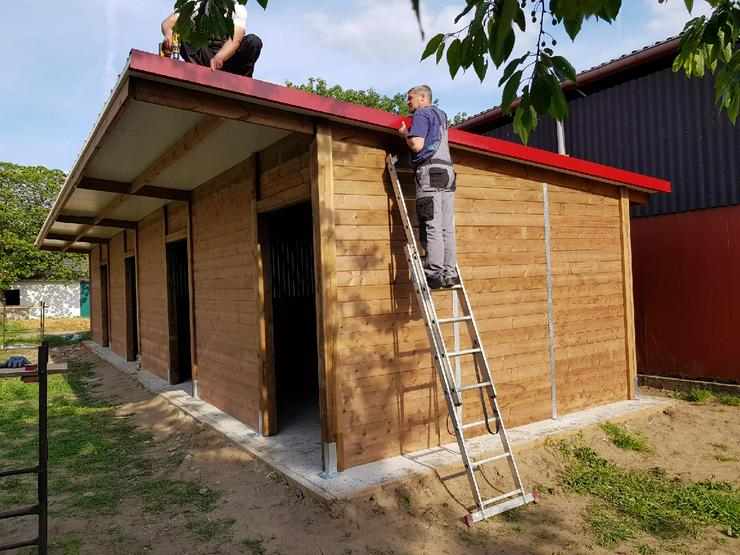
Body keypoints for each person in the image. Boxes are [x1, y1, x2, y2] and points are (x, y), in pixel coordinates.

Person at [397, 85, 458, 290]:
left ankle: (433, 274)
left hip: (430, 172)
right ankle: (450, 274)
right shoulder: (441, 115)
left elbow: (416, 145)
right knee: (445, 228)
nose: (408, 102)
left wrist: (405, 134)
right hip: (448, 173)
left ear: (423, 97)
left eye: (410, 97)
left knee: (431, 223)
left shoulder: (422, 114)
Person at [161, 1, 263, 78]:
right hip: (204, 54)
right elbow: (168, 22)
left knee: (253, 42)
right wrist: (168, 33)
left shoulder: (238, 8)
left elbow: (235, 40)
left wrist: (219, 58)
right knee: (182, 32)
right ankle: (198, 73)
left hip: (227, 57)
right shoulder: (196, 4)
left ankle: (242, 85)